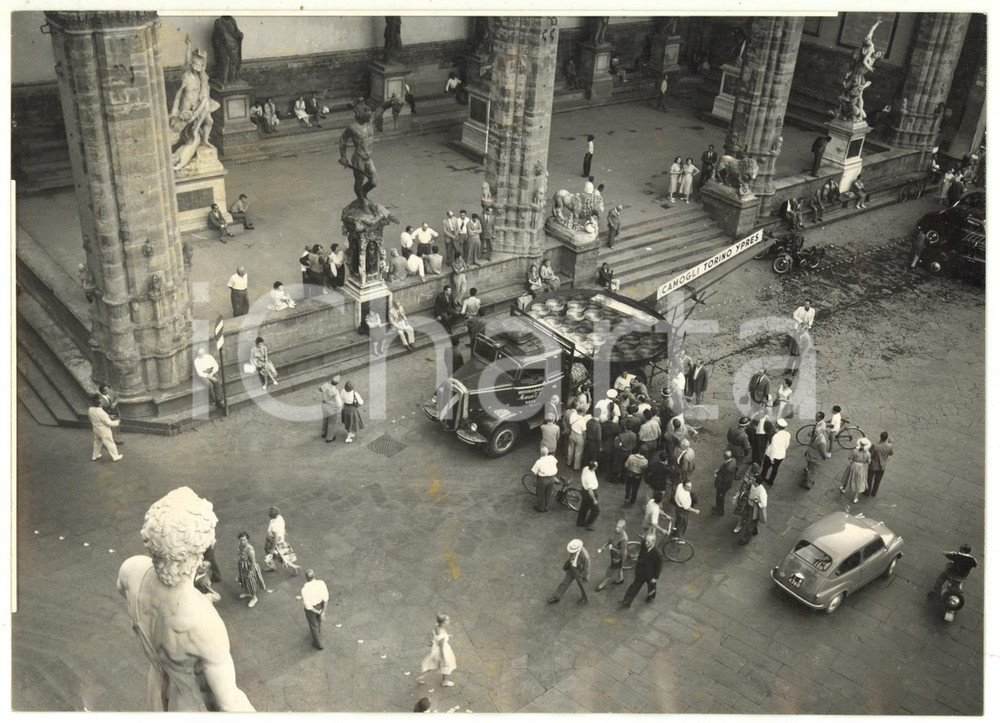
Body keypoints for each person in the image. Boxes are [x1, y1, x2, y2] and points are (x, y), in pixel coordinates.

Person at [116, 489, 255, 711]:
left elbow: (125, 591)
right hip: (185, 703)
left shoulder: (131, 569)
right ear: (199, 552)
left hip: (156, 687)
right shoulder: (205, 625)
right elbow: (230, 701)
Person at [619, 531, 662, 608]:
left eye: (648, 542)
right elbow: (641, 556)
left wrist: (655, 577)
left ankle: (651, 597)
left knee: (651, 586)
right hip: (641, 572)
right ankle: (627, 601)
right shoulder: (644, 545)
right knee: (634, 587)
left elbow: (659, 566)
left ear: (653, 542)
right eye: (646, 541)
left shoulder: (657, 553)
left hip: (650, 574)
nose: (646, 543)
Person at [548, 539, 590, 606]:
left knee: (582, 586)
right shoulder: (574, 550)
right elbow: (571, 558)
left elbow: (587, 567)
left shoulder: (585, 555)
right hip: (572, 569)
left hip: (580, 571)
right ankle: (556, 596)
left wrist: (582, 575)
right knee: (564, 582)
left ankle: (584, 598)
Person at [419, 614, 458, 686]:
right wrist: (444, 659)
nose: (449, 621)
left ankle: (422, 677)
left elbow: (436, 637)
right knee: (444, 666)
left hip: (436, 648)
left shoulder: (437, 626)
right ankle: (444, 681)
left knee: (434, 665)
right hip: (442, 652)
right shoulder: (442, 635)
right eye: (447, 620)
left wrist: (447, 636)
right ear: (443, 622)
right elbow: (442, 648)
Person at [236, 532, 270, 608]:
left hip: (250, 567)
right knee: (244, 580)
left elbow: (253, 562)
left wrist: (250, 572)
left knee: (251, 582)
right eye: (241, 540)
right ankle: (247, 592)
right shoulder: (240, 546)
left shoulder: (250, 550)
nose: (242, 542)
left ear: (247, 540)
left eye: (244, 540)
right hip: (242, 566)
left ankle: (254, 597)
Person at [263, 507, 301, 575]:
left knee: (281, 557)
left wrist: (272, 549)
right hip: (280, 540)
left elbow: (275, 538)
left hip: (275, 543)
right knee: (284, 555)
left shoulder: (273, 525)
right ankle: (272, 565)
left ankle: (294, 567)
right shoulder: (280, 517)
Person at [596, 519, 629, 591]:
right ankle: (621, 579)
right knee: (619, 568)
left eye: (619, 528)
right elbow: (610, 540)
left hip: (618, 557)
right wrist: (603, 547)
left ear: (623, 529)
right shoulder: (616, 532)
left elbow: (622, 552)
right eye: (617, 526)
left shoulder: (624, 539)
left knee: (611, 570)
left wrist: (617, 559)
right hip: (613, 553)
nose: (617, 529)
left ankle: (604, 583)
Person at [88, 393, 123, 462]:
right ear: (99, 403)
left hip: (96, 429)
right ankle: (115, 456)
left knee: (97, 443)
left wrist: (108, 416)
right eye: (101, 400)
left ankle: (94, 456)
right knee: (110, 443)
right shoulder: (101, 412)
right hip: (104, 430)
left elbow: (99, 416)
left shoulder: (90, 409)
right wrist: (117, 421)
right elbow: (109, 423)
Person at [300, 570, 329, 650]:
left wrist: (317, 611)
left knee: (313, 625)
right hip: (321, 605)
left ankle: (318, 643)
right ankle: (319, 631)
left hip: (312, 609)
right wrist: (323, 612)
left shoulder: (304, 590)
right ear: (314, 575)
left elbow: (308, 606)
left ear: (306, 578)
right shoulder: (321, 583)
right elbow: (326, 599)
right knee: (319, 620)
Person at [839, 438, 871, 504]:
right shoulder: (868, 454)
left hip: (853, 465)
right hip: (861, 467)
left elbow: (850, 458)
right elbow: (868, 462)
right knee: (859, 481)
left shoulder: (855, 450)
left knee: (848, 476)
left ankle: (844, 488)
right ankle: (855, 497)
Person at [737, 477, 767, 545]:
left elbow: (763, 505)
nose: (751, 480)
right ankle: (754, 529)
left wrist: (758, 501)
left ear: (756, 482)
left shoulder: (762, 492)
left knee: (749, 524)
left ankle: (745, 539)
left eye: (753, 480)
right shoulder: (753, 485)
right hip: (749, 504)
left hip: (754, 508)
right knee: (750, 519)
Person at [759, 418, 790, 485]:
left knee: (765, 468)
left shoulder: (776, 436)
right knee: (775, 469)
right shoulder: (787, 434)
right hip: (781, 455)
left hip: (771, 456)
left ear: (777, 425)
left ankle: (761, 478)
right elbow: (786, 444)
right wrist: (782, 450)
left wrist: (772, 459)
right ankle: (771, 481)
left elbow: (773, 449)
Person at [731, 462, 760, 534]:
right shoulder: (752, 476)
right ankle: (742, 522)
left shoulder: (753, 478)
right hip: (746, 497)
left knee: (742, 512)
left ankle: (739, 524)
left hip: (747, 497)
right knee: (744, 512)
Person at [531, 446, 559, 512]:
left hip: (543, 480)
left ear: (540, 453)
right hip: (552, 478)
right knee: (548, 493)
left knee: (541, 494)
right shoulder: (552, 458)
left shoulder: (539, 462)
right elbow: (556, 462)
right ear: (547, 452)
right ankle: (547, 507)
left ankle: (541, 508)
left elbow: (534, 472)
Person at [866, 431, 894, 498]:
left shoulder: (875, 446)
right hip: (882, 466)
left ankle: (867, 492)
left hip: (873, 466)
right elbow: (891, 454)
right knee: (878, 480)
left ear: (880, 437)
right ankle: (874, 492)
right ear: (887, 438)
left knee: (869, 479)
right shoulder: (890, 446)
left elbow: (870, 455)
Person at [711, 450, 738, 516]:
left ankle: (720, 511)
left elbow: (725, 479)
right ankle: (718, 508)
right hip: (726, 483)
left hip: (723, 486)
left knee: (720, 497)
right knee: (719, 497)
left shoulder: (728, 468)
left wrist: (717, 475)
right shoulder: (733, 460)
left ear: (725, 457)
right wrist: (719, 471)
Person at [319, 375, 343, 442]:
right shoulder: (335, 391)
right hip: (331, 407)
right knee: (331, 423)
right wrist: (338, 409)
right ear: (337, 383)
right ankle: (329, 437)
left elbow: (320, 389)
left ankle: (324, 433)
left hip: (324, 404)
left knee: (325, 420)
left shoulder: (325, 385)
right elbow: (339, 403)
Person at [577, 461, 600, 530]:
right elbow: (590, 491)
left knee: (584, 507)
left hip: (584, 490)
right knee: (596, 510)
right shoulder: (589, 477)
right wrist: (594, 500)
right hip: (590, 493)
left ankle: (580, 522)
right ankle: (589, 524)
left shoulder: (586, 468)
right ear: (594, 467)